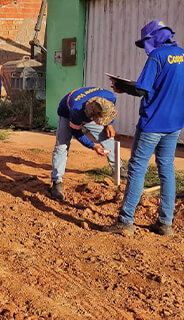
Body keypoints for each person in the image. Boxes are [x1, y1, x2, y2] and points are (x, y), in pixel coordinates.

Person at [107, 20, 184, 236]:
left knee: (138, 168)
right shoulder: (182, 55)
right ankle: (165, 223)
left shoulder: (157, 57)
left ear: (153, 39)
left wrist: (121, 86)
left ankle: (125, 220)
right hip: (175, 123)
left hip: (153, 123)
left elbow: (142, 90)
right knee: (166, 169)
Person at [50, 87, 120, 201]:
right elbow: (77, 133)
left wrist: (109, 124)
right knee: (62, 146)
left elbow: (110, 109)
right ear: (93, 117)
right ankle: (56, 182)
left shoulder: (109, 97)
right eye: (100, 121)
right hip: (66, 113)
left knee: (106, 135)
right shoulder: (76, 111)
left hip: (89, 110)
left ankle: (118, 168)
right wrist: (93, 146)